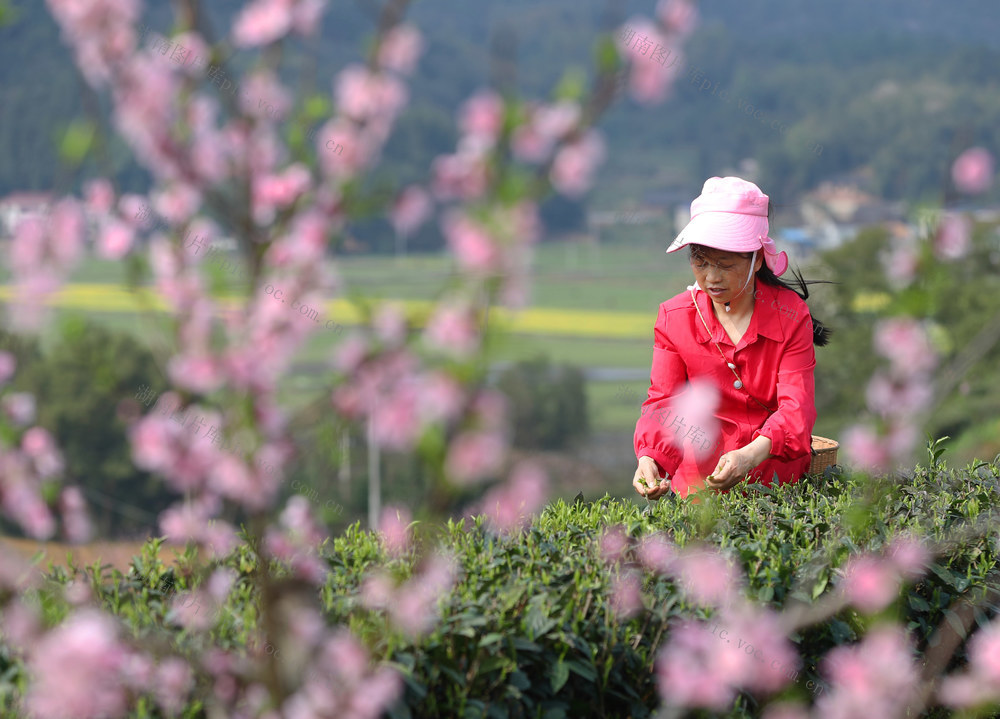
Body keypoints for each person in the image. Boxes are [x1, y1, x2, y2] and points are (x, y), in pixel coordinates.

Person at [632, 176, 831, 500]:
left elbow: (797, 408)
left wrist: (749, 457)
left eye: (725, 265)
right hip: (698, 489)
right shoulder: (674, 317)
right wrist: (650, 458)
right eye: (700, 262)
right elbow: (664, 402)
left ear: (756, 260)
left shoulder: (792, 315)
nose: (711, 277)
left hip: (777, 489)